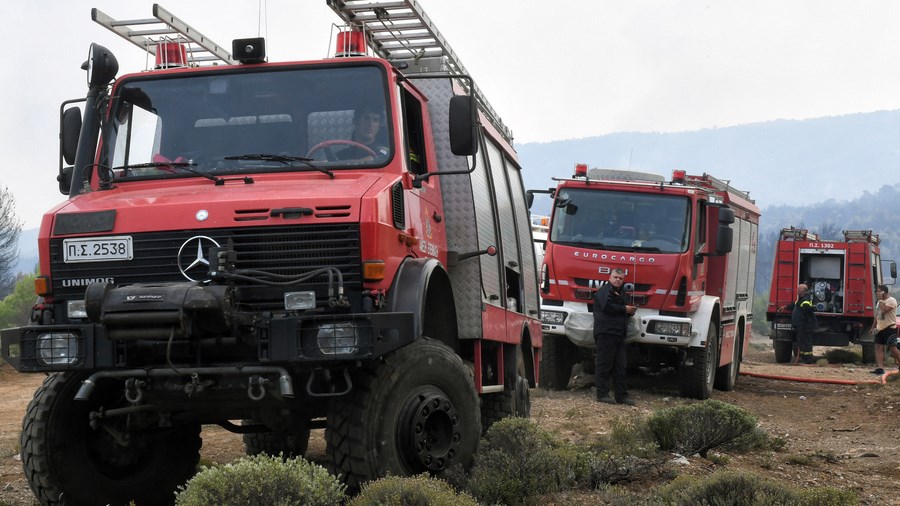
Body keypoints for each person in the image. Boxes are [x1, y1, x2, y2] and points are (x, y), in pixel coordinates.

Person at [593, 268, 638, 405]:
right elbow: (607, 306)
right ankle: (602, 394)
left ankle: (621, 396)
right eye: (615, 277)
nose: (618, 280)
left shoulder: (622, 293)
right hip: (606, 333)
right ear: (609, 278)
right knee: (604, 365)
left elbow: (623, 309)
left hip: (619, 334)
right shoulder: (604, 291)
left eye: (621, 278)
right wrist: (625, 309)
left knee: (621, 366)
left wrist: (630, 311)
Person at [869, 284, 900, 375]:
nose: (877, 293)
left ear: (883, 292)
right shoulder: (880, 302)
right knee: (878, 347)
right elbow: (878, 315)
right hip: (880, 328)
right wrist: (873, 327)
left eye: (878, 291)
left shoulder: (891, 300)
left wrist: (880, 299)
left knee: (893, 348)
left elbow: (884, 310)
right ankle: (880, 368)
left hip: (889, 328)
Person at [784, 283, 817, 364]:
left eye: (799, 289)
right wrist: (785, 307)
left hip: (805, 325)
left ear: (804, 291)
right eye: (797, 289)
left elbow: (805, 310)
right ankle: (803, 357)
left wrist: (800, 320)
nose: (797, 291)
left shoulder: (806, 300)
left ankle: (808, 359)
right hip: (801, 325)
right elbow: (794, 304)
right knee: (801, 342)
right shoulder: (801, 299)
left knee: (806, 342)